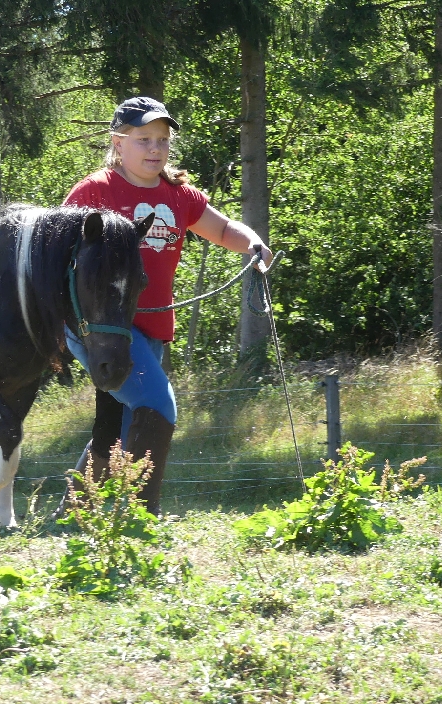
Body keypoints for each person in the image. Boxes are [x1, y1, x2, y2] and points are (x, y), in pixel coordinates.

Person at [62, 96, 272, 515]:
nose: (155, 148)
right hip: (102, 328)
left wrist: (253, 244)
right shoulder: (94, 191)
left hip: (152, 327)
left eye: (162, 140)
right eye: (144, 139)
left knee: (122, 425)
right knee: (157, 405)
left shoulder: (179, 195)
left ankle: (74, 513)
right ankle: (141, 515)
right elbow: (59, 252)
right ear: (118, 143)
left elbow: (223, 229)